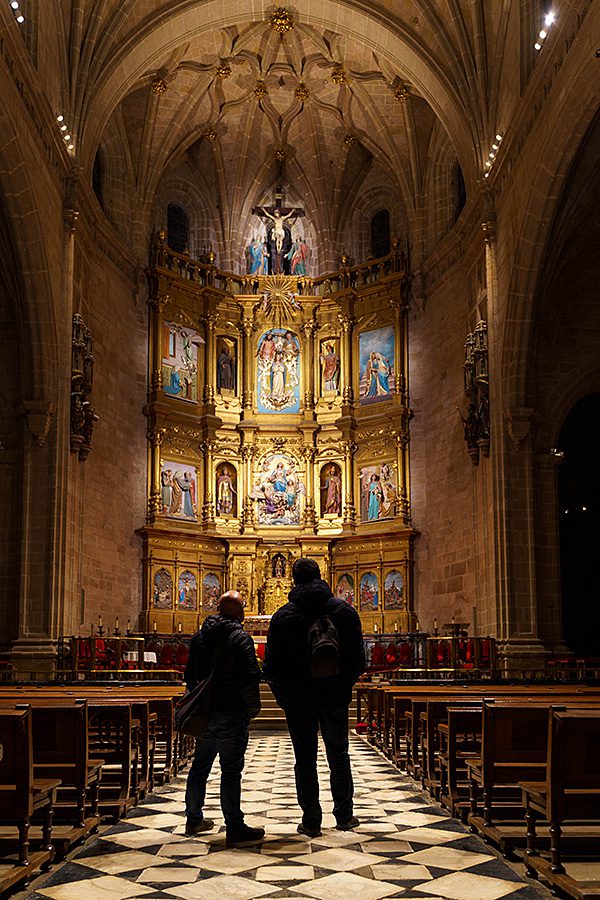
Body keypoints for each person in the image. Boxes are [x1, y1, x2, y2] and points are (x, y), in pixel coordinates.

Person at [263, 558, 365, 837]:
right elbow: (358, 660)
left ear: (294, 580)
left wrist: (285, 696)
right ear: (320, 576)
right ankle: (344, 816)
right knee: (339, 754)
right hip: (334, 695)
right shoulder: (344, 611)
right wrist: (343, 685)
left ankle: (311, 820)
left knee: (304, 758)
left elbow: (271, 666)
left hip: (298, 699)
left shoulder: (284, 616)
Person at [184, 591, 264, 847]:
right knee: (230, 770)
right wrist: (251, 708)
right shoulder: (240, 637)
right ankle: (234, 826)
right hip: (231, 711)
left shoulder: (199, 637)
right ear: (241, 612)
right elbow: (251, 676)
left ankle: (194, 818)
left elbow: (190, 675)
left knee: (200, 766)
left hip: (206, 711)